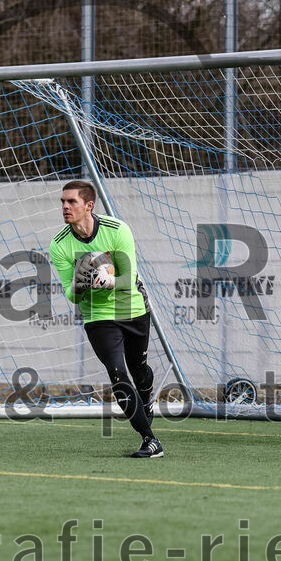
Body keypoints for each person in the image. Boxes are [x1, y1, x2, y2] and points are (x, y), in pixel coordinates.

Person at [49, 180, 163, 458]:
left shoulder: (117, 230)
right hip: (98, 316)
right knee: (117, 374)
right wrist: (81, 283)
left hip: (132, 308)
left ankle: (145, 402)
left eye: (71, 202)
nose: (65, 206)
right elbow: (72, 296)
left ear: (89, 205)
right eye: (63, 202)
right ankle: (150, 440)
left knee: (139, 369)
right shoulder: (59, 245)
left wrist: (107, 280)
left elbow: (129, 278)